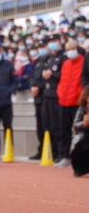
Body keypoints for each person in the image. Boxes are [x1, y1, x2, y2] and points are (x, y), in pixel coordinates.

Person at [55, 40, 84, 168]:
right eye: (67, 49)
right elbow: (62, 80)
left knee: (78, 131)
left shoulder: (84, 62)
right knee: (64, 131)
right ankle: (65, 156)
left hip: (77, 102)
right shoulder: (65, 63)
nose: (70, 51)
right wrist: (60, 93)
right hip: (63, 102)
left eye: (72, 48)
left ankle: (79, 158)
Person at [43, 35, 66, 164]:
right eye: (50, 42)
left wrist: (53, 74)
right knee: (49, 124)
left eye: (54, 41)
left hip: (58, 94)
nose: (52, 44)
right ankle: (54, 152)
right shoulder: (50, 58)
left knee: (58, 125)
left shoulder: (64, 57)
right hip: (48, 94)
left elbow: (63, 75)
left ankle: (62, 153)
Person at [29, 39, 49, 160]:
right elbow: (33, 77)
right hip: (37, 98)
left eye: (43, 46)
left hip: (46, 96)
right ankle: (41, 149)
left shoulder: (50, 60)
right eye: (39, 47)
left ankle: (51, 150)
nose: (41, 49)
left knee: (48, 124)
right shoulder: (37, 61)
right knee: (40, 125)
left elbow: (47, 79)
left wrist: (39, 87)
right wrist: (32, 86)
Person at [70, 85, 89, 177]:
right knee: (81, 142)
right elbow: (75, 126)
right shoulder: (82, 109)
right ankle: (80, 168)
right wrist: (84, 124)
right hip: (84, 137)